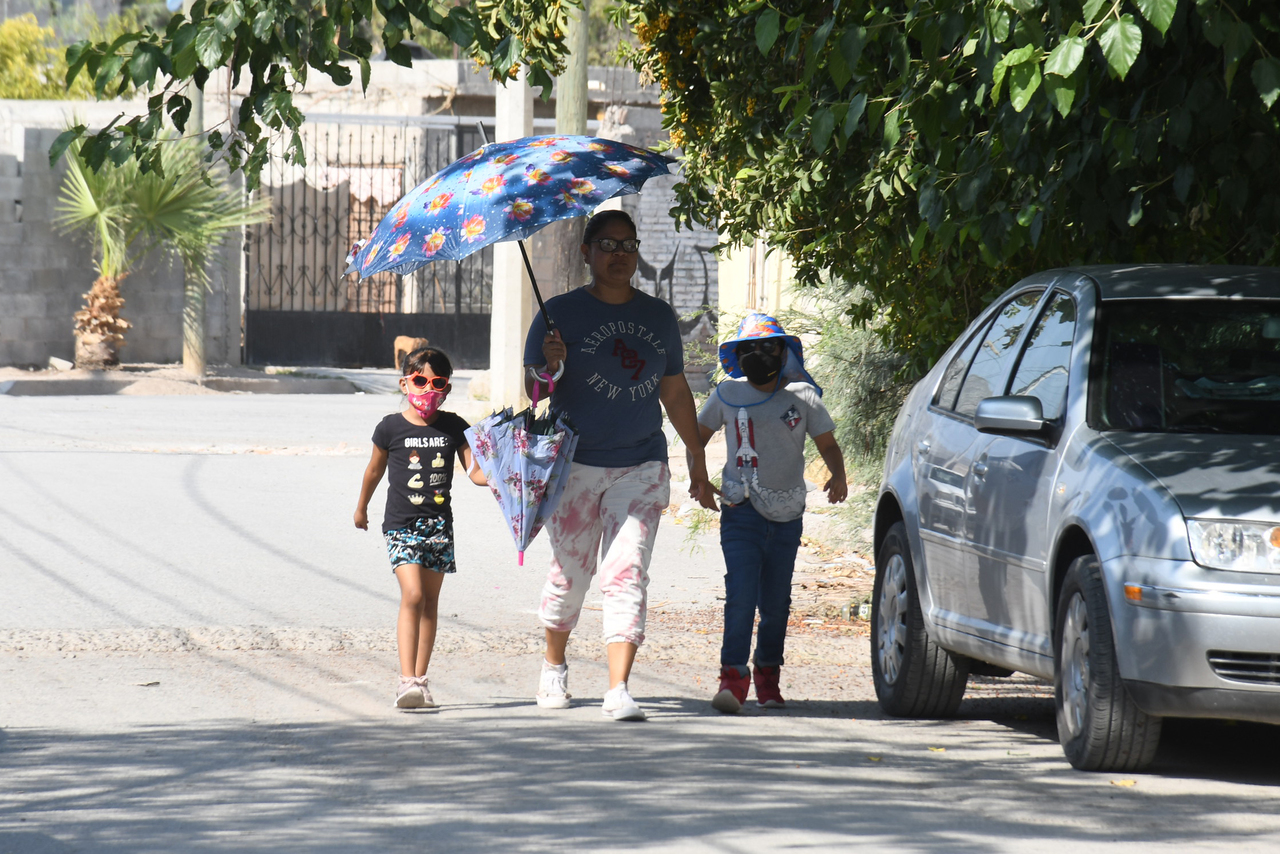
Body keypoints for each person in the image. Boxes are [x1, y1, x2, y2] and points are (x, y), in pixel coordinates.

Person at [524, 209, 717, 722]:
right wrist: (550, 363)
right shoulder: (556, 314)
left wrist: (696, 458)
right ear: (586, 253)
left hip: (641, 463)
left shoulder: (658, 317)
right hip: (575, 466)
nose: (618, 255)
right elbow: (536, 393)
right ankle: (553, 666)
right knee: (571, 574)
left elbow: (674, 392)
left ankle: (618, 688)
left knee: (626, 570)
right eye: (607, 245)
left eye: (628, 245)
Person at [692, 314, 848, 713]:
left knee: (776, 603)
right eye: (748, 349)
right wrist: (699, 478)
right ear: (736, 355)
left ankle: (768, 678)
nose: (758, 354)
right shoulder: (726, 393)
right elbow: (696, 438)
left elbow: (827, 443)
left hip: (787, 513)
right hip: (739, 510)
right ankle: (733, 681)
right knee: (741, 596)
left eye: (767, 347)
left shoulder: (803, 396)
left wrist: (838, 474)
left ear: (784, 352)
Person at [354, 347, 488, 709]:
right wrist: (361, 507)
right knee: (412, 595)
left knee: (430, 603)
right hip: (401, 524)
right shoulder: (389, 427)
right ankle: (405, 680)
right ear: (404, 383)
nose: (428, 389)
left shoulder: (454, 426)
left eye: (437, 382)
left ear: (446, 388)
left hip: (439, 527)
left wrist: (503, 476)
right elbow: (374, 470)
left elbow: (475, 471)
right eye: (419, 380)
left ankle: (421, 682)